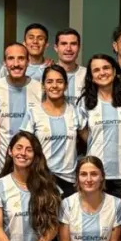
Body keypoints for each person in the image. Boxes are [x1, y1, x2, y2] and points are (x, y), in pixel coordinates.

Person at [79, 54, 121, 202]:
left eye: (106, 68)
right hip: (94, 172)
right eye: (96, 70)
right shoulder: (85, 102)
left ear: (115, 71)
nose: (102, 72)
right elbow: (83, 134)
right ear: (91, 76)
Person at [20, 65, 85, 196]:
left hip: (69, 180)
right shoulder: (33, 113)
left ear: (66, 85)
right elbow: (23, 147)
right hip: (41, 178)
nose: (54, 86)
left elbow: (91, 141)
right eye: (49, 81)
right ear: (43, 86)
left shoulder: (75, 111)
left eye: (59, 81)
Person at [0, 43, 43, 178]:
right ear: (5, 62)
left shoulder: (40, 89)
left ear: (28, 61)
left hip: (33, 166)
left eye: (21, 58)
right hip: (1, 165)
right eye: (11, 58)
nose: (16, 63)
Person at [53, 28, 87, 106]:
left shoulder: (88, 74)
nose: (68, 49)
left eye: (73, 44)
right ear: (56, 47)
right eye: (64, 44)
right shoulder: (46, 74)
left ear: (79, 47)